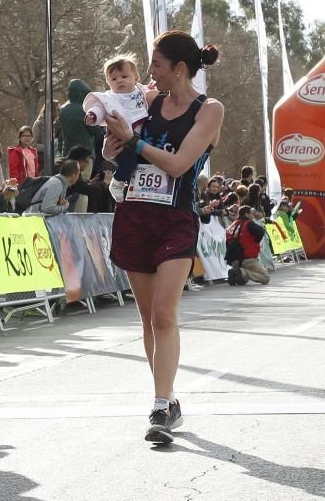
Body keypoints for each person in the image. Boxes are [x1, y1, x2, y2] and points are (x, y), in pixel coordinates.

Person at [102, 29, 222, 444]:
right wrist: (113, 146)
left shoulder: (210, 111)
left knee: (164, 314)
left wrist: (136, 141)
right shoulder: (147, 101)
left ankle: (160, 403)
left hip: (175, 218)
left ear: (180, 68)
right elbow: (113, 146)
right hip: (134, 214)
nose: (148, 73)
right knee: (147, 317)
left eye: (155, 65)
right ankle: (167, 399)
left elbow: (177, 164)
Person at [84, 55, 149, 203]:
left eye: (124, 76)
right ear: (108, 82)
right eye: (114, 79)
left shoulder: (142, 92)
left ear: (136, 78)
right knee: (130, 163)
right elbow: (99, 108)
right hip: (119, 141)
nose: (119, 80)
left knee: (142, 162)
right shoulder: (109, 98)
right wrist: (92, 115)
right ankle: (117, 182)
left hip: (140, 135)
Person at [224, 205, 270, 285]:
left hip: (234, 260)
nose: (253, 215)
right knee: (265, 278)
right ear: (246, 214)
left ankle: (236, 273)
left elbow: (227, 243)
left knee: (242, 280)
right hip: (248, 259)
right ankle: (242, 271)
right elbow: (261, 231)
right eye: (252, 213)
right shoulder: (249, 224)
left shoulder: (231, 226)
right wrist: (256, 241)